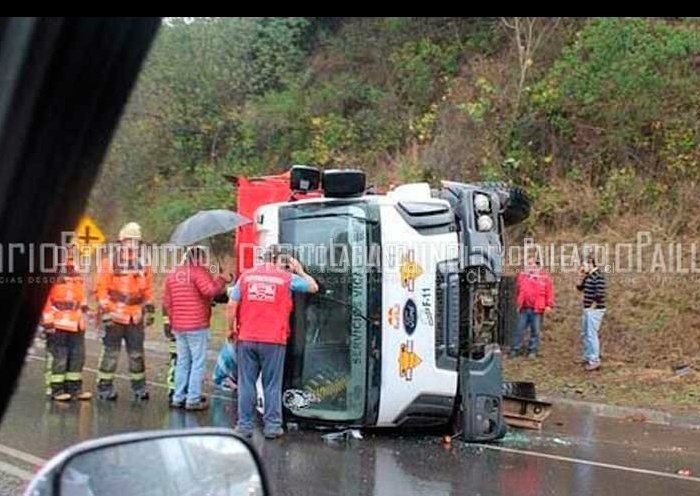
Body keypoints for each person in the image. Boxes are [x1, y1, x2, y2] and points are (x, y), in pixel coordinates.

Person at [228, 245, 318, 439]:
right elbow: (313, 287)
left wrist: (232, 328)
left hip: (247, 337)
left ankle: (244, 427)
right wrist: (300, 270)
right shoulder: (286, 278)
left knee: (246, 383)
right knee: (272, 384)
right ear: (277, 259)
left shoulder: (246, 276)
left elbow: (231, 304)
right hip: (274, 340)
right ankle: (272, 427)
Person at [163, 246, 231, 410]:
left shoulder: (173, 274)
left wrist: (171, 321)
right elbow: (209, 291)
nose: (205, 261)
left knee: (182, 361)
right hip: (196, 324)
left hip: (179, 326)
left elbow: (167, 301)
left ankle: (178, 397)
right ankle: (193, 398)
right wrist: (222, 279)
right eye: (204, 258)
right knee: (197, 362)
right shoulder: (198, 272)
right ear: (198, 258)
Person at [95, 222, 154, 400]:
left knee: (136, 354)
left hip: (135, 316)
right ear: (122, 241)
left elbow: (148, 290)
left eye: (136, 242)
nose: (133, 245)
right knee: (111, 353)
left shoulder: (144, 264)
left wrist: (149, 309)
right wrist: (106, 311)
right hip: (114, 315)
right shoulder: (109, 262)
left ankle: (139, 387)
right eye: (130, 241)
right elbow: (101, 289)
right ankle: (104, 387)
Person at [40, 245, 92, 401]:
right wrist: (48, 321)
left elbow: (80, 292)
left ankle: (74, 388)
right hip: (58, 322)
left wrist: (85, 308)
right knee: (59, 356)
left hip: (76, 321)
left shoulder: (75, 268)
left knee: (77, 356)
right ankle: (55, 389)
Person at [510, 255, 554, 358]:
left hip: (537, 309)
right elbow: (518, 289)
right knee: (519, 329)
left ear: (537, 266)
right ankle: (515, 349)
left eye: (531, 264)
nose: (529, 267)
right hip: (524, 308)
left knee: (536, 330)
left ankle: (532, 350)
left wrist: (549, 305)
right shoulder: (522, 276)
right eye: (527, 264)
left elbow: (550, 292)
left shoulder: (544, 278)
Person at [576, 254, 607, 371]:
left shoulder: (598, 276)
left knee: (591, 334)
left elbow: (600, 294)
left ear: (590, 264)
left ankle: (594, 360)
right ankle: (588, 356)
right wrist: (580, 275)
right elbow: (579, 288)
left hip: (594, 309)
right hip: (587, 309)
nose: (582, 267)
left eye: (584, 264)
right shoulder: (588, 276)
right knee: (585, 333)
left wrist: (592, 308)